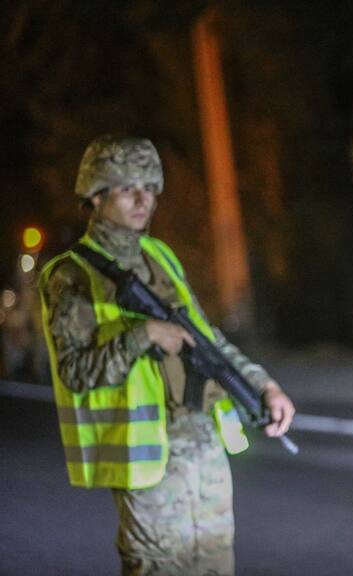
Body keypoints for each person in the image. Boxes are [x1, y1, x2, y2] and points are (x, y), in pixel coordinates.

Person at [39, 135, 295, 576]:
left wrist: (264, 385)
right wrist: (143, 335)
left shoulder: (160, 255)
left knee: (217, 566)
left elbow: (204, 338)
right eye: (127, 188)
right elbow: (75, 372)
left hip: (204, 447)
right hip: (148, 466)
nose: (144, 199)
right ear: (96, 196)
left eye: (150, 187)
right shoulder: (73, 274)